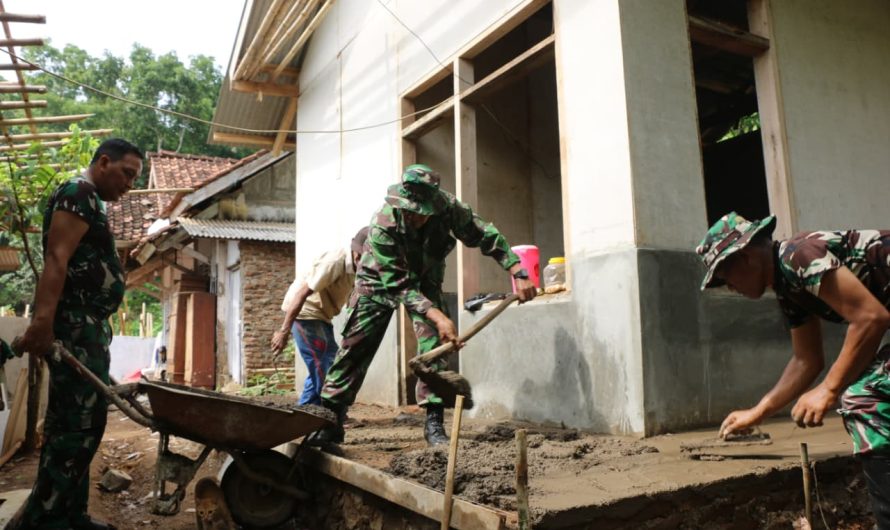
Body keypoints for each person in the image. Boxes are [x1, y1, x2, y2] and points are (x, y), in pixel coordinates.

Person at [314, 164, 537, 447]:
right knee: (355, 347)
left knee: (432, 351)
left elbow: (481, 232)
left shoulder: (447, 207)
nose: (415, 218)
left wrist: (517, 268)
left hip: (426, 277)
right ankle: (331, 419)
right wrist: (440, 316)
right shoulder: (383, 224)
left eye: (422, 213)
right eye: (410, 211)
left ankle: (433, 424)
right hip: (380, 281)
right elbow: (398, 284)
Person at [696, 211, 890, 527]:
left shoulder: (796, 254)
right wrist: (758, 412)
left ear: (744, 257)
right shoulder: (788, 288)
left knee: (866, 398)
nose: (728, 287)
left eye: (724, 276)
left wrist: (829, 389)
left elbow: (871, 318)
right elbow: (806, 359)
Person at [11, 138, 143, 530]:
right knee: (77, 425)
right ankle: (44, 520)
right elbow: (57, 257)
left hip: (87, 329)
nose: (130, 184)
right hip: (74, 326)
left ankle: (70, 514)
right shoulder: (79, 192)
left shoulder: (88, 198)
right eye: (126, 173)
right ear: (103, 162)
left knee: (81, 422)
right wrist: (43, 322)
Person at [270, 227, 369, 406]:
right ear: (357, 254)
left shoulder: (356, 269)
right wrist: (283, 331)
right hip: (305, 314)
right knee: (326, 366)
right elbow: (301, 293)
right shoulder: (334, 262)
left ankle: (305, 412)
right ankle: (332, 412)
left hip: (322, 317)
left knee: (323, 365)